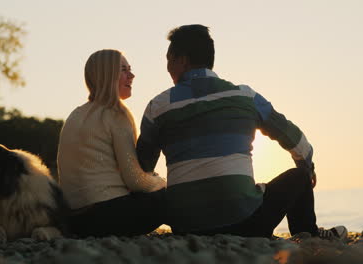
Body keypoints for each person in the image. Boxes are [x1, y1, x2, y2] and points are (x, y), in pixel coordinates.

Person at [136, 25, 347, 239]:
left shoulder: (158, 106)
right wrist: (307, 167)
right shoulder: (245, 97)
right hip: (248, 224)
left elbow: (143, 165)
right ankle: (308, 234)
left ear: (182, 60)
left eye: (168, 60)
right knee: (299, 176)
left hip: (185, 226)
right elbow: (295, 139)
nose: (168, 68)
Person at [57, 49, 167, 237]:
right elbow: (135, 181)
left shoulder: (75, 114)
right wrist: (161, 182)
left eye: (130, 69)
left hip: (74, 221)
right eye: (123, 70)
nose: (132, 75)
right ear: (106, 75)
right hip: (110, 217)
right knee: (170, 197)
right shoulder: (116, 113)